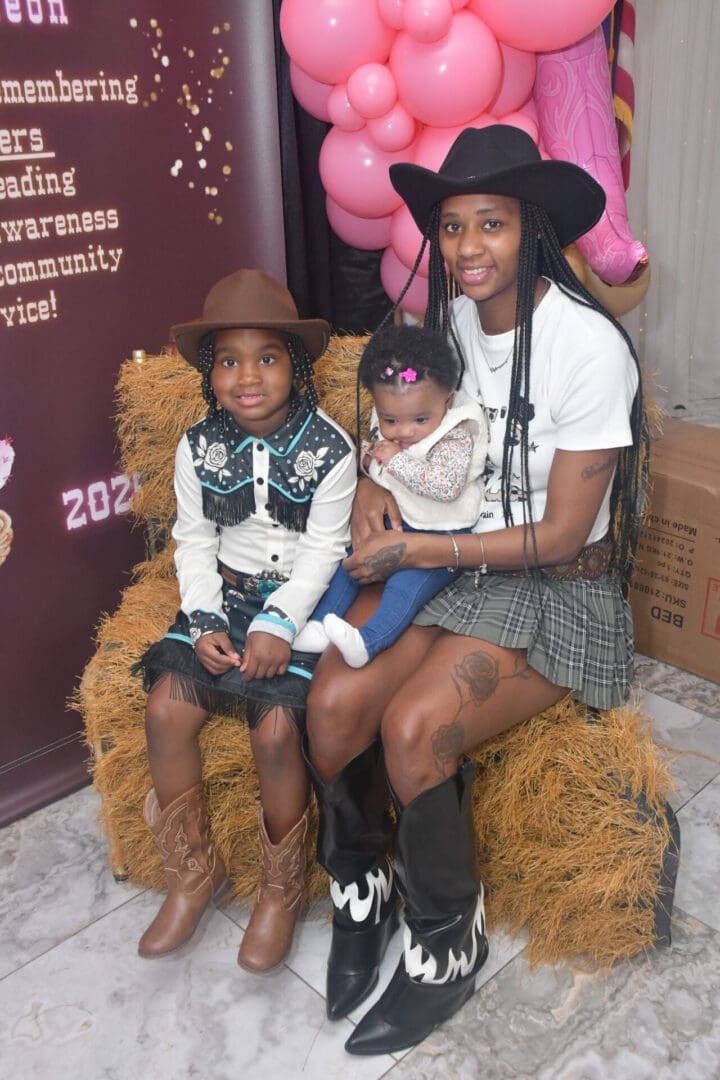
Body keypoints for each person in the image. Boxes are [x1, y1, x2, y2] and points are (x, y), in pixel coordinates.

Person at [303, 125, 647, 1055]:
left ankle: (448, 947)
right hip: (444, 559)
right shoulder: (445, 331)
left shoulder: (588, 349)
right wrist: (377, 486)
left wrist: (418, 543)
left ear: (533, 229)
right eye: (451, 227)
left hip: (554, 586)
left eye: (488, 224)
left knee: (417, 728)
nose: (465, 249)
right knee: (331, 702)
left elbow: (566, 533)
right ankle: (362, 894)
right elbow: (400, 435)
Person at [132, 269, 356, 972]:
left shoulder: (332, 450)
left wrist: (281, 624)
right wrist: (202, 620)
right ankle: (192, 871)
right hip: (223, 596)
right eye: (228, 361)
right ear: (211, 372)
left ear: (296, 365)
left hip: (302, 600)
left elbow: (326, 550)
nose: (247, 377)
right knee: (166, 709)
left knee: (278, 729)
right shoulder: (197, 446)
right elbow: (194, 540)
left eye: (267, 358)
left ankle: (280, 892)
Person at [294, 323, 487, 668]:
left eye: (420, 419)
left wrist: (394, 460)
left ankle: (368, 642)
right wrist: (368, 463)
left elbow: (445, 487)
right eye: (390, 420)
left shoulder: (456, 433)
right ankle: (320, 623)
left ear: (447, 399)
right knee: (348, 559)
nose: (405, 431)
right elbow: (371, 460)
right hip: (401, 521)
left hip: (444, 535)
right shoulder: (391, 422)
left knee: (405, 586)